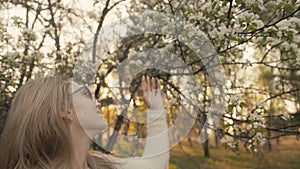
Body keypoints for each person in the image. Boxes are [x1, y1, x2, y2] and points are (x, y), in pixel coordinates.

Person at [0, 75, 169, 169]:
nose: (98, 102)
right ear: (63, 110)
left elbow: (154, 165)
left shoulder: (100, 164)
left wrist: (156, 109)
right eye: (86, 94)